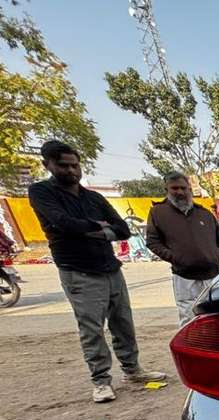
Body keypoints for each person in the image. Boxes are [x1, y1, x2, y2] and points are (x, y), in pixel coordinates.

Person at [27, 140, 165, 403]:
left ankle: (132, 369)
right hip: (78, 270)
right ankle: (101, 380)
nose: (71, 171)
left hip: (110, 267)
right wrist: (99, 228)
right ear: (48, 165)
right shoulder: (42, 193)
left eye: (75, 165)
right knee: (92, 328)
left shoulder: (93, 198)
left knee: (123, 323)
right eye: (64, 166)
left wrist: (93, 230)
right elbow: (62, 223)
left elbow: (123, 229)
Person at [145, 172, 219, 325]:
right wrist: (176, 258)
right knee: (190, 318)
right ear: (167, 189)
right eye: (174, 188)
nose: (180, 192)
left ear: (189, 188)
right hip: (185, 277)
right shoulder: (158, 213)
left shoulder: (204, 213)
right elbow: (152, 241)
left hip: (214, 274)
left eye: (183, 188)